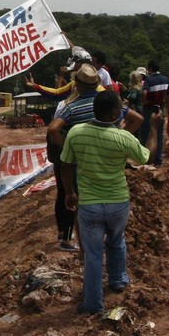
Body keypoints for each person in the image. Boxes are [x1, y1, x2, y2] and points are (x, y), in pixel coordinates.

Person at [60, 90, 158, 315]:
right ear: (115, 112)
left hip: (90, 205)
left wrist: (69, 192)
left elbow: (65, 163)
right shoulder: (123, 137)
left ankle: (92, 304)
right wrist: (153, 129)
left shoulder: (76, 132)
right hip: (117, 203)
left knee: (93, 254)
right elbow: (147, 158)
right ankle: (118, 280)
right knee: (116, 240)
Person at [44, 63, 102, 252]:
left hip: (66, 158)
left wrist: (67, 146)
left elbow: (53, 129)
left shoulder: (67, 105)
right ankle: (70, 239)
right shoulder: (102, 103)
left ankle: (64, 235)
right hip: (87, 159)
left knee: (65, 194)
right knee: (77, 198)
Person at [138, 61, 169, 166]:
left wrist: (143, 102)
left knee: (146, 133)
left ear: (150, 69)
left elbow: (145, 92)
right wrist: (167, 98)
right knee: (159, 135)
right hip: (160, 109)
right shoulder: (165, 79)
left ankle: (146, 158)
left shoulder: (149, 80)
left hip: (149, 109)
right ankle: (158, 160)